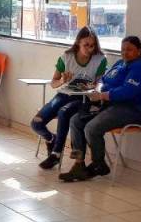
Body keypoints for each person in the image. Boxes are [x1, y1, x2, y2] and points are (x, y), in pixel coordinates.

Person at [59, 36, 141, 182]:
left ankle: (98, 164)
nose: (125, 53)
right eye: (122, 50)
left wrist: (102, 95)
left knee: (91, 128)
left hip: (133, 110)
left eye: (129, 50)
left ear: (139, 51)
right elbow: (103, 79)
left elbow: (127, 92)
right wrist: (95, 88)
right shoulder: (120, 63)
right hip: (110, 105)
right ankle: (79, 164)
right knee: (75, 121)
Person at [33, 27, 108, 170]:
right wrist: (62, 80)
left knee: (64, 112)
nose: (90, 49)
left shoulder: (100, 59)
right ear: (78, 42)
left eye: (92, 46)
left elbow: (101, 83)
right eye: (86, 45)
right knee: (36, 123)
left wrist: (95, 87)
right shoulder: (66, 57)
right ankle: (52, 139)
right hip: (64, 95)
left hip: (83, 98)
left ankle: (56, 153)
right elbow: (53, 83)